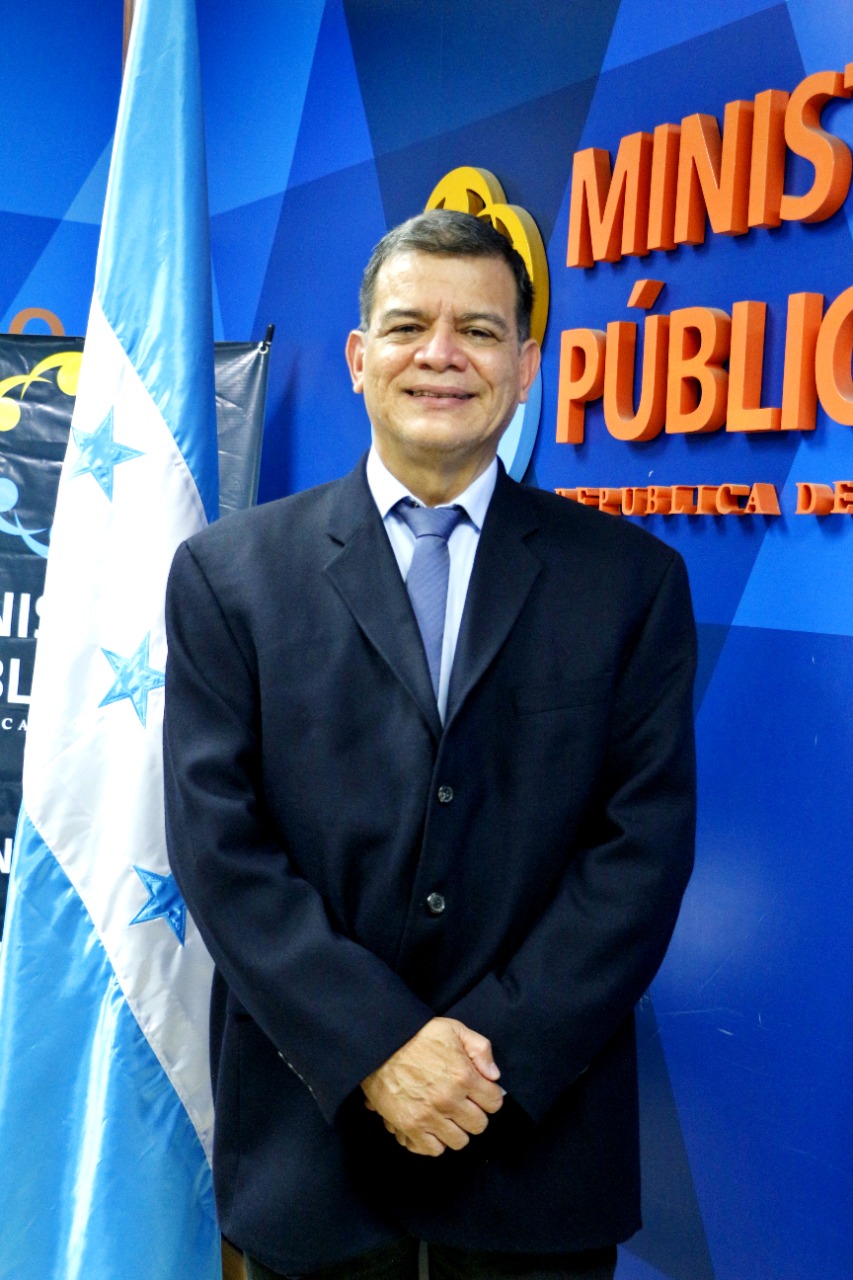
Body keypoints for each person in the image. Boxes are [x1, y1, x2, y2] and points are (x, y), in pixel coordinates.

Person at [163, 210, 697, 1280]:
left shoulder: (630, 582)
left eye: (480, 330)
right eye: (408, 326)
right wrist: (377, 1048)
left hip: (533, 1157)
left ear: (526, 366)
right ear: (360, 358)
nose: (441, 354)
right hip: (314, 1158)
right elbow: (221, 849)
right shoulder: (229, 575)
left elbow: (637, 852)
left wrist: (481, 1066)